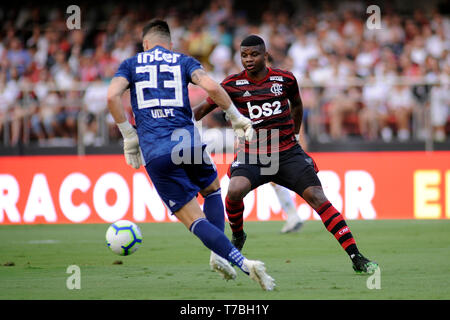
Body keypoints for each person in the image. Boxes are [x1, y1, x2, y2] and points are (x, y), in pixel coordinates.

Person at [107, 20, 275, 291]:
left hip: (156, 151)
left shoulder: (131, 64)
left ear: (145, 44)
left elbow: (112, 96)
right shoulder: (181, 60)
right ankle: (220, 253)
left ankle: (243, 263)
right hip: (188, 142)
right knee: (211, 190)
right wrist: (235, 116)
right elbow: (210, 87)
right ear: (170, 44)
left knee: (194, 219)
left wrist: (129, 136)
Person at [194, 35, 378, 274]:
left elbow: (298, 105)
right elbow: (200, 111)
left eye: (254, 54)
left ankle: (357, 257)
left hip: (287, 153)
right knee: (235, 190)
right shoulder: (231, 85)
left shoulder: (285, 79)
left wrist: (295, 136)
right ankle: (238, 236)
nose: (249, 60)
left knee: (318, 198)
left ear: (265, 55)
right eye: (244, 55)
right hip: (253, 154)